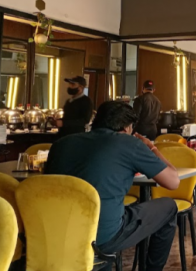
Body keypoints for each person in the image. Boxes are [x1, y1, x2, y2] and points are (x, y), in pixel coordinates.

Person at [45, 101, 180, 271]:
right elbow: (173, 181)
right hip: (102, 235)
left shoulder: (61, 144)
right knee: (169, 207)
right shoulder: (128, 143)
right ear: (127, 128)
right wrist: (151, 147)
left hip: (55, 231)